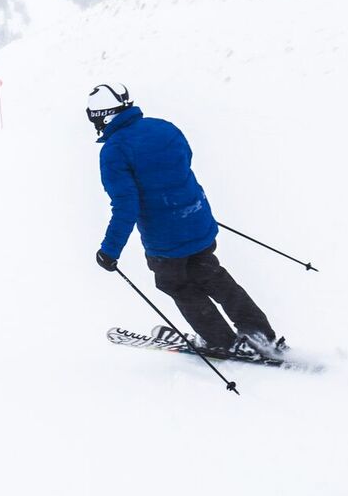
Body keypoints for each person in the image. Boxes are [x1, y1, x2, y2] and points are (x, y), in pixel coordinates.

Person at [87, 84, 282, 356]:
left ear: (103, 116)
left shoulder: (114, 151)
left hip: (165, 239)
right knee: (212, 274)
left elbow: (125, 205)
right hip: (198, 220)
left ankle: (222, 342)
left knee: (176, 283)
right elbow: (183, 163)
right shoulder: (165, 127)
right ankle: (258, 333)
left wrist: (109, 251)